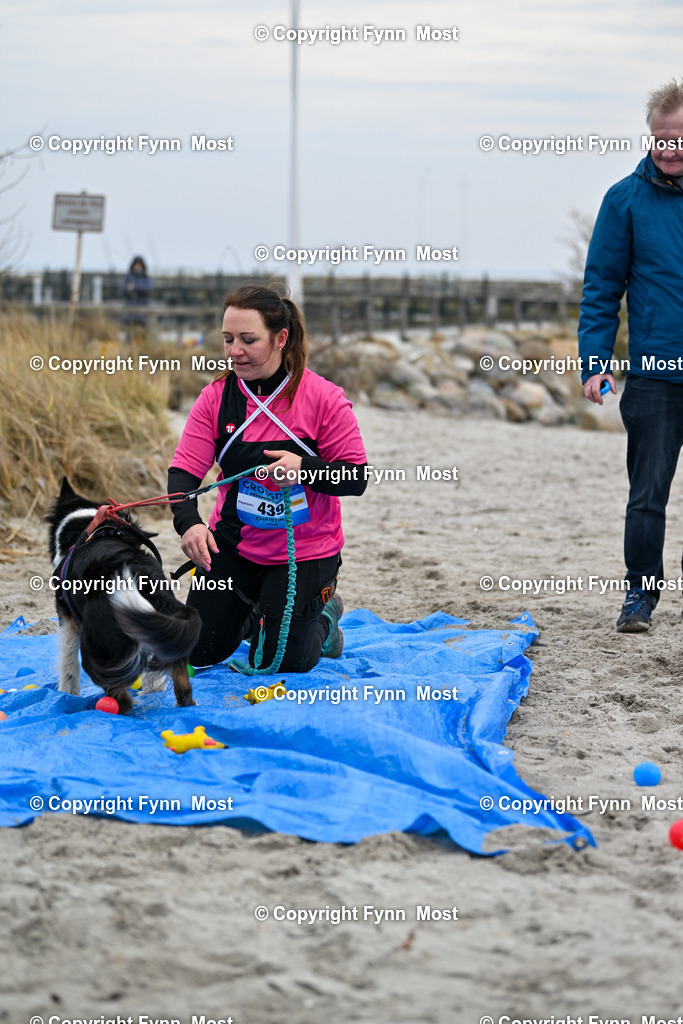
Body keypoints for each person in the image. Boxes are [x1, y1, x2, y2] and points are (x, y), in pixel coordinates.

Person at [167, 284, 368, 671]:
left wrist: (303, 470)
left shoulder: (323, 398)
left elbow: (355, 477)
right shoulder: (215, 398)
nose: (234, 351)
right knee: (194, 653)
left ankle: (324, 618)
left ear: (280, 339)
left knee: (279, 663)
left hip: (303, 554)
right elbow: (183, 474)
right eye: (227, 339)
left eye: (248, 340)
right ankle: (254, 613)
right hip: (235, 547)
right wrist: (189, 525)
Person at [579, 79, 683, 633]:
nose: (669, 149)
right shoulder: (624, 198)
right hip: (654, 376)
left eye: (680, 139)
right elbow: (601, 288)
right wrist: (595, 360)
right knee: (647, 498)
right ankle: (639, 598)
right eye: (661, 139)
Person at [121, 255, 152, 326]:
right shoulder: (127, 277)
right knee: (128, 332)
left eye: (139, 265)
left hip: (142, 314)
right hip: (128, 313)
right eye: (136, 265)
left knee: (141, 334)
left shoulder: (146, 278)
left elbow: (147, 288)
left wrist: (134, 286)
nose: (137, 267)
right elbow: (123, 288)